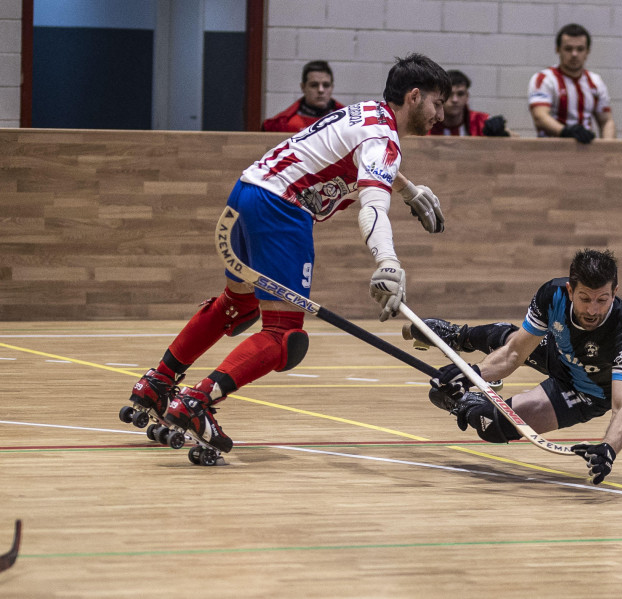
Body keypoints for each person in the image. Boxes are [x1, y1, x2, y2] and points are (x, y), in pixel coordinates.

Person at [128, 54, 452, 455]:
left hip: (247, 192)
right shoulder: (383, 140)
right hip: (282, 208)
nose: (441, 114)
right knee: (285, 336)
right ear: (415, 96)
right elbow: (371, 206)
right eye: (438, 103)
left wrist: (407, 189)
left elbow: (357, 157)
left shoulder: (367, 113)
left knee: (239, 304)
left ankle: (159, 381)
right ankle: (197, 401)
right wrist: (388, 262)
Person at [406, 249, 622, 485]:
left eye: (602, 300)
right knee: (512, 341)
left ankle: (465, 404)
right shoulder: (552, 295)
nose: (593, 310)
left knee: (490, 426)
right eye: (585, 299)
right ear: (571, 291)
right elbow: (514, 355)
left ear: (614, 293)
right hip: (557, 351)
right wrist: (471, 374)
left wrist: (609, 449)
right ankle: (459, 336)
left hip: (584, 393)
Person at [527, 23, 615, 144]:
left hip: (586, 151)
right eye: (568, 49)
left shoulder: (596, 82)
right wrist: (566, 132)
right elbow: (540, 117)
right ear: (558, 50)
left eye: (580, 49)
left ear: (587, 51)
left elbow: (606, 121)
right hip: (550, 151)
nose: (574, 54)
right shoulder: (545, 79)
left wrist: (608, 150)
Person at [261, 60, 345, 133]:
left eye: (326, 85)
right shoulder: (283, 124)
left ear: (332, 87)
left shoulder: (345, 121)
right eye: (314, 85)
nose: (321, 90)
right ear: (303, 87)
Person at [428, 70, 510, 137]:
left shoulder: (482, 121)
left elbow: (516, 140)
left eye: (460, 94)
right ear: (441, 98)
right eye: (449, 94)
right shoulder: (428, 123)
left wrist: (503, 135)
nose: (455, 100)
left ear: (467, 97)